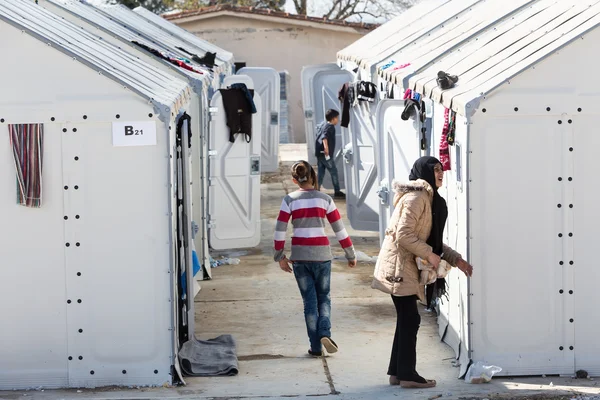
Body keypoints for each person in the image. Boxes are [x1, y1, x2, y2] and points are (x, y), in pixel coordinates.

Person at [372, 156, 473, 388]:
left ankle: (397, 373)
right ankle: (407, 375)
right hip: (399, 266)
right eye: (435, 169)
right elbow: (403, 234)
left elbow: (430, 240)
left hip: (405, 266)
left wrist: (457, 260)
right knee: (410, 319)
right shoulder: (417, 198)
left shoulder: (428, 199)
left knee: (407, 319)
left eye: (441, 169)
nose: (441, 173)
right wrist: (429, 254)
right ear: (424, 172)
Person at [274, 160, 357, 356]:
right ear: (313, 176)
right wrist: (350, 254)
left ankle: (316, 347)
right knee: (324, 299)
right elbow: (339, 229)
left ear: (295, 180)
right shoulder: (325, 199)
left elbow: (279, 230)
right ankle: (325, 332)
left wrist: (280, 257)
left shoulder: (289, 200)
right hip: (322, 257)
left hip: (300, 258)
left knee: (309, 303)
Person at [315, 109, 345, 199]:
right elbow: (324, 137)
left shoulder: (323, 124)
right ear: (333, 118)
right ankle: (337, 191)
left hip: (319, 153)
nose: (338, 120)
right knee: (334, 172)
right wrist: (326, 149)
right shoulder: (330, 127)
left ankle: (316, 190)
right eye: (337, 118)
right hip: (325, 154)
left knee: (320, 173)